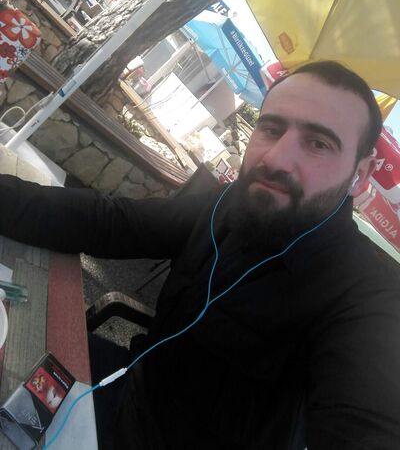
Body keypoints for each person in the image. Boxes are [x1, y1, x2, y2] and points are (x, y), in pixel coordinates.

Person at [0, 61, 399, 449]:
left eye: (318, 144)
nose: (276, 159)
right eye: (271, 128)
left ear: (360, 174)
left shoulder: (369, 298)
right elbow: (113, 222)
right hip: (125, 385)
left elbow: (368, 425)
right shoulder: (228, 203)